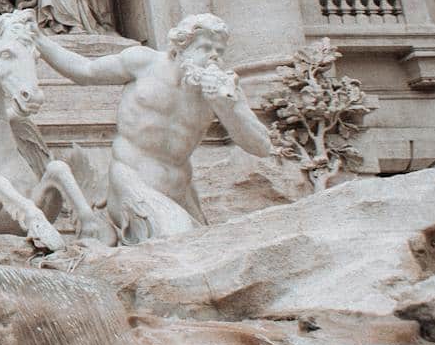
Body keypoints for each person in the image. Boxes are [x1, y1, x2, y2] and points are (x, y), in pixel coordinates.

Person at [34, 14, 277, 243]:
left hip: (180, 193)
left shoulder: (226, 90)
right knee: (179, 238)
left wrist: (226, 107)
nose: (213, 57)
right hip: (130, 183)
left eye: (219, 52)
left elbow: (261, 146)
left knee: (207, 247)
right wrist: (39, 40)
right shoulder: (144, 63)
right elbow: (85, 71)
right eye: (205, 48)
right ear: (179, 49)